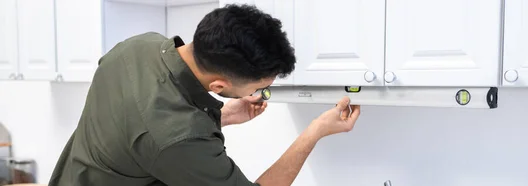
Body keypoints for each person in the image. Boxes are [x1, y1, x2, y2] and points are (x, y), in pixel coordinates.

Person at [49, 4, 361, 186]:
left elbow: (140, 129)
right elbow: (168, 137)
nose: (257, 93)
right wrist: (315, 131)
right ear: (219, 87)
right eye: (256, 88)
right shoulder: (180, 138)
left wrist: (222, 115)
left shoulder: (137, 47)